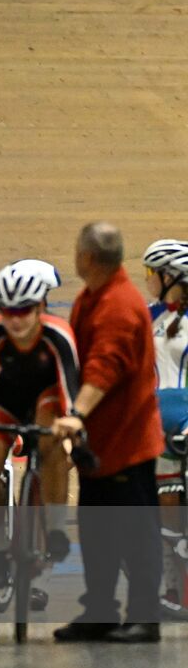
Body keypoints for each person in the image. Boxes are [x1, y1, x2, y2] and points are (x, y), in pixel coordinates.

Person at [53, 222, 165, 643]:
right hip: (101, 444)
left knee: (135, 533)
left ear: (86, 258)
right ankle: (99, 609)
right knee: (98, 530)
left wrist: (76, 414)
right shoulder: (93, 297)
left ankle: (144, 617)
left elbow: (104, 367)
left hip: (127, 442)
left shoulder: (118, 304)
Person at [0, 260, 78, 603]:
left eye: (24, 311)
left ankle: (55, 529)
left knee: (53, 446)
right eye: (7, 311)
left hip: (47, 397)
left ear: (41, 306)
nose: (15, 320)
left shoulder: (58, 333)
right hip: (6, 398)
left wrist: (73, 434)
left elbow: (70, 393)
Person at [138, 240, 188, 617]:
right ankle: (172, 590)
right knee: (164, 505)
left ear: (173, 278)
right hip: (155, 421)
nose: (148, 281)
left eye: (152, 274)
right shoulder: (146, 316)